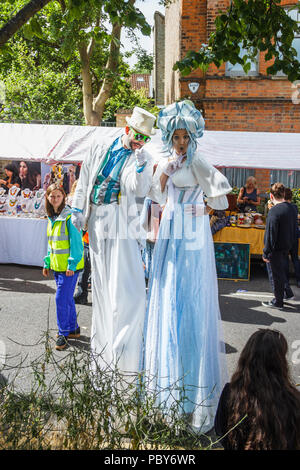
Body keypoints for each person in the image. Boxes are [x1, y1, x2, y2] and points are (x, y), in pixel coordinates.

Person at [141, 101, 232, 433]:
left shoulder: (199, 162)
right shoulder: (167, 162)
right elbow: (155, 192)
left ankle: (194, 397)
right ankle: (169, 395)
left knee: (192, 300)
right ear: (170, 137)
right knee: (169, 297)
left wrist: (204, 204)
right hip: (171, 228)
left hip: (192, 230)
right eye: (176, 137)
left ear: (192, 136)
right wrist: (167, 168)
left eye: (185, 136)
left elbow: (221, 195)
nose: (181, 142)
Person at [71, 106, 156, 374]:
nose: (140, 141)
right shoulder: (100, 144)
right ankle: (103, 346)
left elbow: (137, 189)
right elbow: (85, 177)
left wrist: (142, 166)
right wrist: (77, 207)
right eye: (138, 135)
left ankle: (125, 351)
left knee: (123, 284)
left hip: (120, 220)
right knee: (100, 281)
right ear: (128, 129)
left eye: (145, 137)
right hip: (96, 219)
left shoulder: (141, 157)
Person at [214, 329, 300, 450]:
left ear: (246, 357)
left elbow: (221, 432)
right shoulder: (293, 399)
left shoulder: (231, 392)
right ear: (281, 362)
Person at [43, 183, 84, 351]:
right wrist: (47, 262)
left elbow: (77, 244)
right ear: (47, 197)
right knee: (66, 299)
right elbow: (51, 244)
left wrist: (72, 264)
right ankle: (73, 328)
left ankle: (63, 333)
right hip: (57, 266)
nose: (55, 199)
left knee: (60, 298)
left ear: (64, 197)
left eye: (58, 196)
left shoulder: (70, 216)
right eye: (52, 196)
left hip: (69, 267)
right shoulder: (51, 217)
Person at [262, 183, 298, 310]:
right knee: (281, 273)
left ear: (271, 196)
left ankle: (278, 301)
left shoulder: (274, 211)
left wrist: (266, 252)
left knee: (276, 275)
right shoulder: (292, 208)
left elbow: (270, 234)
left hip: (276, 249)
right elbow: (294, 228)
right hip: (286, 246)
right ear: (283, 194)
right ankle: (285, 295)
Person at [284, 187, 300, 288]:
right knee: (295, 258)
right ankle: (299, 280)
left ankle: (286, 281)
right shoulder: (294, 207)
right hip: (295, 235)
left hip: (286, 236)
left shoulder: (283, 207)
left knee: (285, 258)